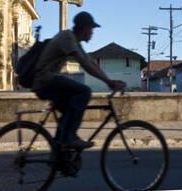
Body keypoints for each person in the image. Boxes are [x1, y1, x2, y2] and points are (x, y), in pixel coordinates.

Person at [32, 12, 126, 150]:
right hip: (44, 81)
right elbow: (85, 64)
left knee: (70, 111)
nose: (92, 33)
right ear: (83, 28)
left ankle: (60, 150)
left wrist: (109, 80)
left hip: (46, 81)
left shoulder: (75, 41)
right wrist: (109, 82)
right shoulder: (67, 37)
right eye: (91, 29)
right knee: (84, 91)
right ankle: (69, 139)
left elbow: (91, 62)